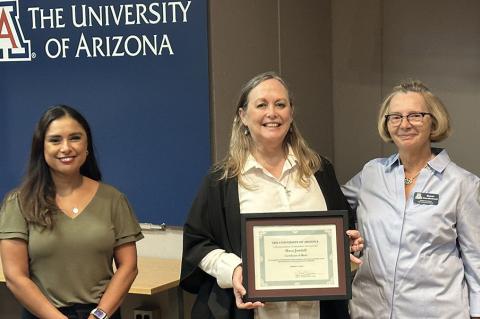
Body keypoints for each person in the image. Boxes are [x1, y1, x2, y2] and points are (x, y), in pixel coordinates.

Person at [180, 72, 364, 319]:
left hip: (317, 312)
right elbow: (197, 243)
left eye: (280, 104)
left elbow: (343, 232)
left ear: (291, 113)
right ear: (242, 116)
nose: (272, 113)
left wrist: (348, 245)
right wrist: (234, 269)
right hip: (254, 313)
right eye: (261, 105)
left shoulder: (319, 171)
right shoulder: (222, 180)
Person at [342, 80, 480, 319]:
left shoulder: (463, 184)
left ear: (433, 121)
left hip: (437, 312)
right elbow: (328, 209)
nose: (404, 124)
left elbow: (476, 257)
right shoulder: (371, 174)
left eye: (415, 115)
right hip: (369, 310)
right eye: (395, 117)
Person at [0, 105, 144, 319]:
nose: (66, 148)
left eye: (75, 138)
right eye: (55, 140)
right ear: (41, 148)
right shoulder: (19, 202)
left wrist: (99, 315)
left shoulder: (114, 199)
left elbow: (128, 266)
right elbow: (15, 276)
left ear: (87, 146)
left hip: (102, 314)